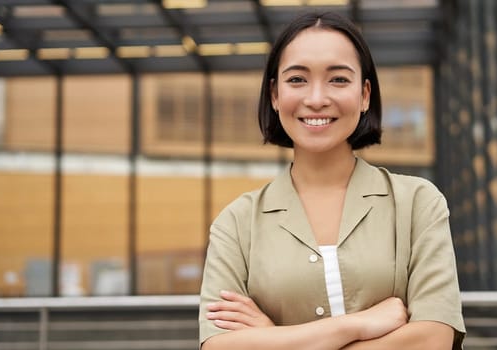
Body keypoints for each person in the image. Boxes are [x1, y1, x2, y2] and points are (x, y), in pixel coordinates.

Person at [198, 11, 465, 350]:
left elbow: (432, 339)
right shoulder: (237, 223)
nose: (316, 98)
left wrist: (272, 336)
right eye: (297, 80)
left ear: (365, 94)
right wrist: (356, 325)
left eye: (338, 79)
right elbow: (219, 346)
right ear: (275, 95)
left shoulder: (417, 204)